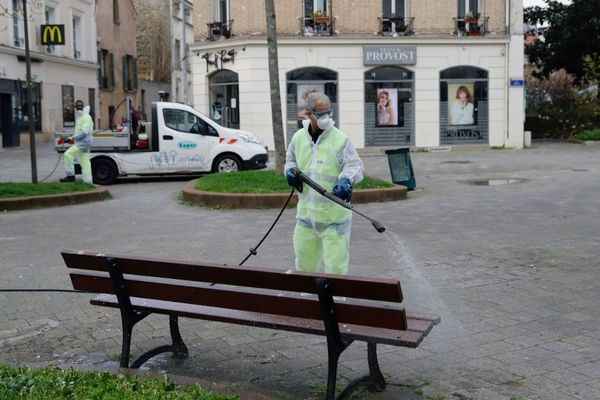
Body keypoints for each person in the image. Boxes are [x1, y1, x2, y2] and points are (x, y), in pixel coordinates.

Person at [285, 92, 364, 275]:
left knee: (336, 269)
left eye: (329, 113)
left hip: (334, 220)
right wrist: (289, 172)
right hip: (306, 217)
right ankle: (307, 300)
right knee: (304, 267)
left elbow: (355, 165)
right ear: (308, 114)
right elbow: (290, 161)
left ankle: (336, 303)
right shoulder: (298, 138)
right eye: (320, 114)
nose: (325, 118)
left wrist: (347, 179)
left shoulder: (340, 140)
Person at [60, 100, 94, 184]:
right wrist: (72, 138)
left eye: (78, 107)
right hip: (83, 142)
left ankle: (71, 176)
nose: (77, 108)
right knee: (85, 162)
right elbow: (81, 132)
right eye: (77, 107)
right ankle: (88, 182)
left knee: (68, 154)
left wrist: (71, 138)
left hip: (83, 142)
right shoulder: (82, 117)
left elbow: (84, 132)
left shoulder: (85, 117)